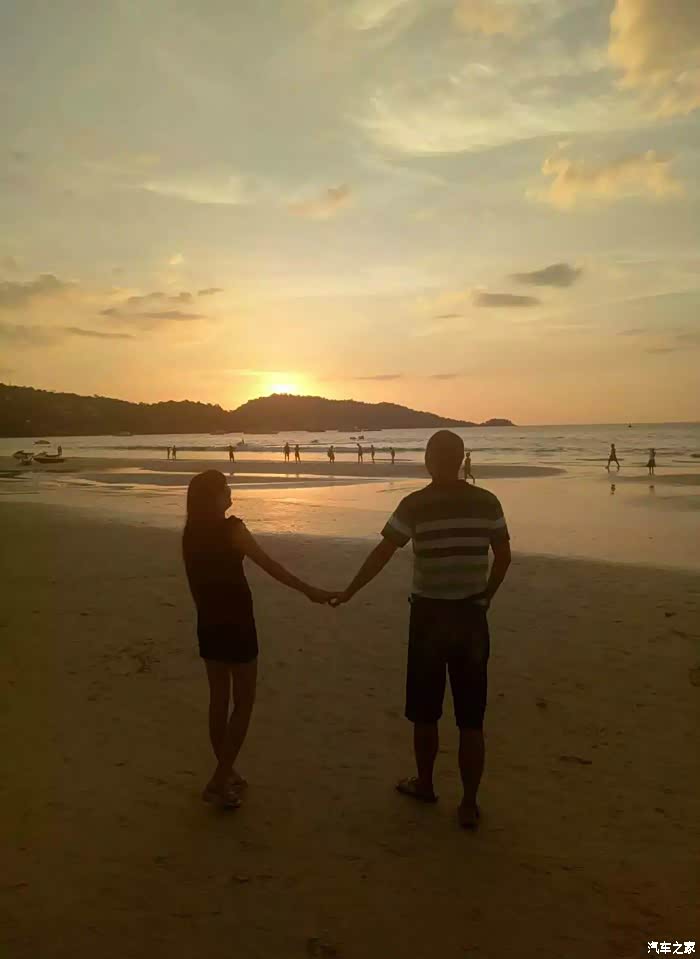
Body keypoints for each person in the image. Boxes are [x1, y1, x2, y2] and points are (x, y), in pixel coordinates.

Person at [331, 431, 511, 830]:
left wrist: (350, 590)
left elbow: (383, 552)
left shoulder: (415, 504)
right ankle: (468, 804)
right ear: (461, 460)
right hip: (471, 616)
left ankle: (426, 784)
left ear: (429, 460)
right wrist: (487, 595)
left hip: (429, 617)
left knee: (425, 712)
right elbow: (504, 556)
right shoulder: (488, 502)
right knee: (471, 718)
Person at [182, 470, 334, 808]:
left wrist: (204, 614)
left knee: (219, 700)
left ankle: (227, 773)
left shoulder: (191, 532)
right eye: (225, 488)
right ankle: (219, 780)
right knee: (244, 701)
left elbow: (193, 582)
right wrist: (309, 590)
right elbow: (270, 565)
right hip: (236, 622)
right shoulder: (232, 529)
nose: (229, 491)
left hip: (208, 621)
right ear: (213, 497)